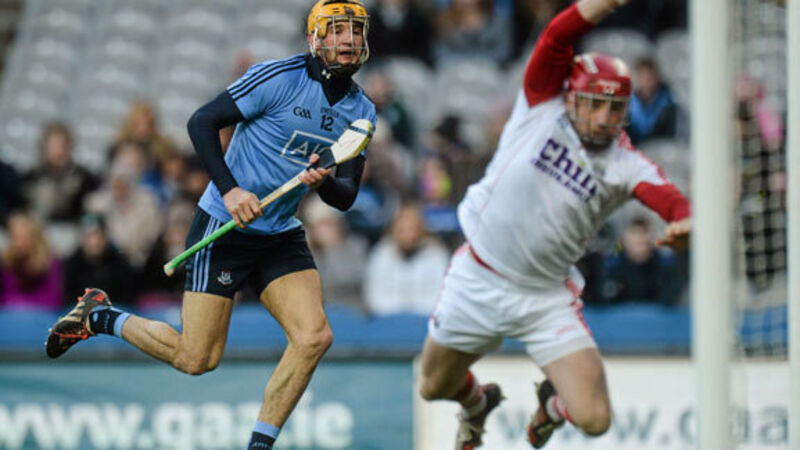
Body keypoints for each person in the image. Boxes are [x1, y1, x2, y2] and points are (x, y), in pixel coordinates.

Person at [46, 2, 376, 449]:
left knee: (314, 336)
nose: (348, 40)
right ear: (315, 39)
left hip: (279, 232)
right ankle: (99, 315)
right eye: (337, 30)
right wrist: (231, 191)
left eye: (355, 31)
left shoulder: (361, 110)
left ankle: (259, 445)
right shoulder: (277, 78)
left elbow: (346, 195)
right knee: (196, 358)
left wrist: (322, 182)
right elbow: (201, 121)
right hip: (224, 225)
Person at [416, 1, 692, 448]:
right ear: (572, 97)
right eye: (594, 104)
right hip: (479, 277)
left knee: (594, 418)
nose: (602, 118)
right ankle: (477, 403)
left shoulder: (626, 163)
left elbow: (671, 198)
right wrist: (599, 5)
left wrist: (684, 222)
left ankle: (551, 405)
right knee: (432, 386)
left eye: (613, 108)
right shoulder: (540, 104)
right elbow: (556, 37)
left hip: (544, 297)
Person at [0, 212, 63, 311]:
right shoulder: (7, 261)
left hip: (42, 316)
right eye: (15, 238)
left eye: (23, 238)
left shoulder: (49, 262)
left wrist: (22, 304)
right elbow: (5, 296)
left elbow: (54, 299)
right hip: (12, 314)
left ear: (34, 238)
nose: (19, 243)